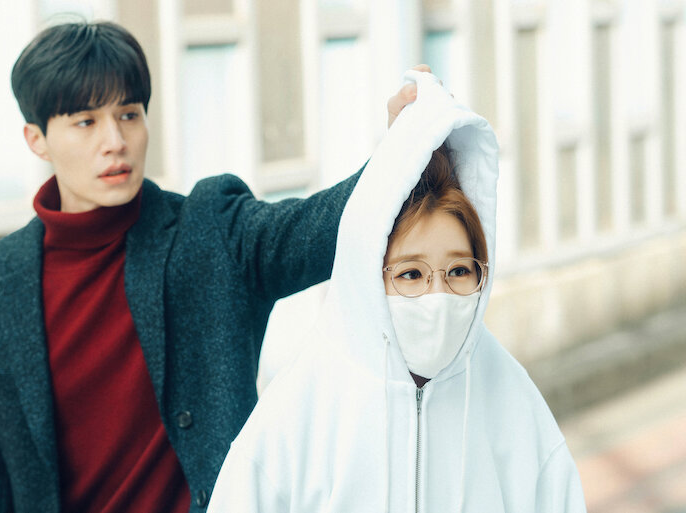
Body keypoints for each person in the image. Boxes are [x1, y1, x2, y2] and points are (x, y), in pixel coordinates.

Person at [0, 20, 422, 512]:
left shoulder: (210, 231)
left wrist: (399, 155)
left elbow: (321, 227)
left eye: (129, 114)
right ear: (37, 139)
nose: (115, 140)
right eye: (86, 122)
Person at [206, 71, 587, 512]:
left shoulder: (513, 402)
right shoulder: (298, 413)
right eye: (410, 274)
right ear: (370, 275)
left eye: (459, 271)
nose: (437, 296)